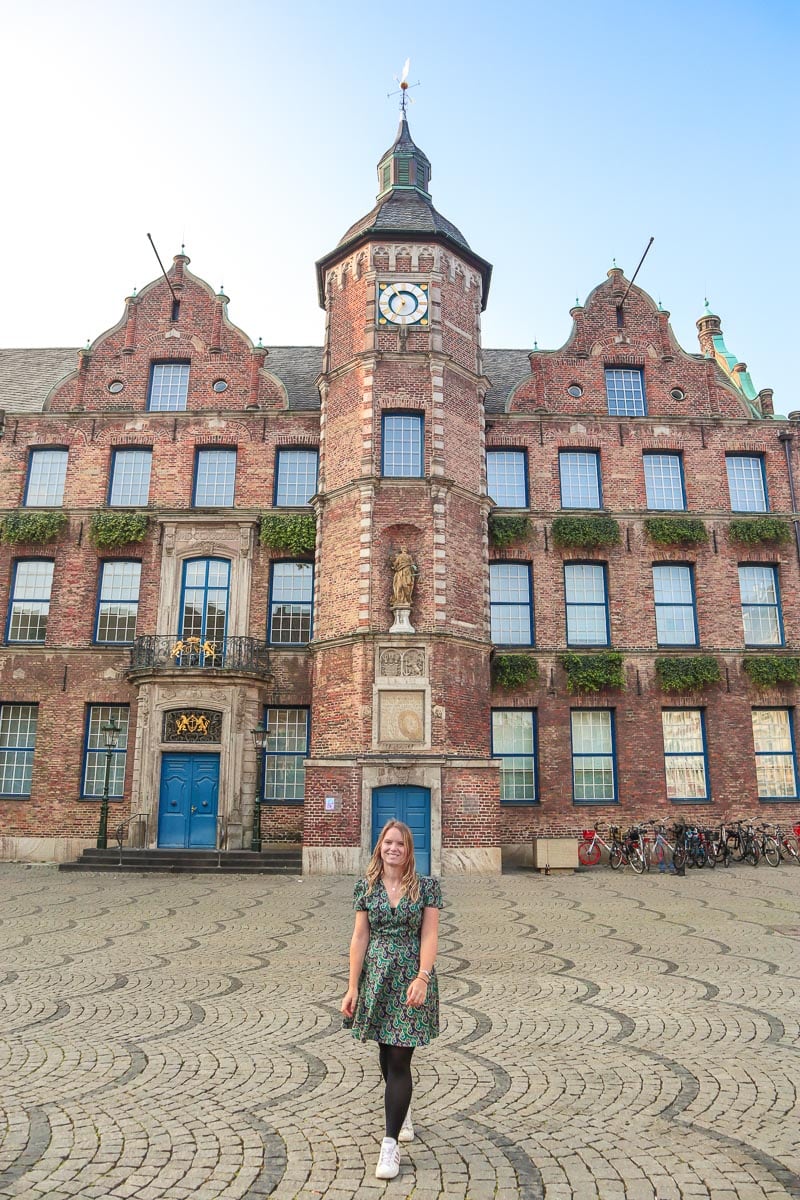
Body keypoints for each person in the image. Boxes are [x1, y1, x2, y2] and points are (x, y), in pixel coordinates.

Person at [340, 820, 442, 1180]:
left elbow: (429, 935)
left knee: (400, 1056)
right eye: (388, 842)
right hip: (377, 980)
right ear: (379, 847)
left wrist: (423, 977)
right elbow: (359, 938)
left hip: (411, 980)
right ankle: (402, 1111)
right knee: (386, 1052)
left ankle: (389, 1145)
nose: (393, 848)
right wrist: (352, 987)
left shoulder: (426, 887)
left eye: (399, 843)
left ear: (408, 849)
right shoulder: (365, 887)